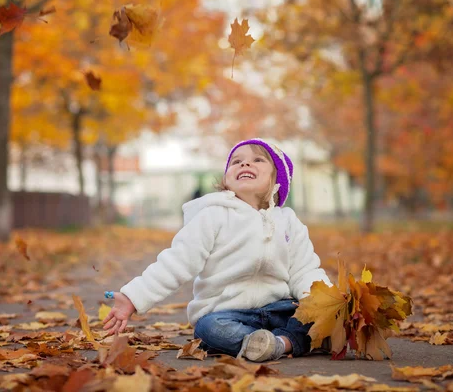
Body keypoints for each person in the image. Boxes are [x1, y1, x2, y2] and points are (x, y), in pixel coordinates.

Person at [103, 138, 332, 362]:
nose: (245, 164)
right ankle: (280, 343)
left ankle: (280, 343)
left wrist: (326, 301)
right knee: (207, 328)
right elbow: (176, 262)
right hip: (226, 314)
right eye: (236, 161)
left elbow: (305, 270)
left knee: (309, 314)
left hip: (279, 310)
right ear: (226, 179)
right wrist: (134, 297)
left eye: (258, 160)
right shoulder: (213, 216)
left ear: (277, 179)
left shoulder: (288, 222)